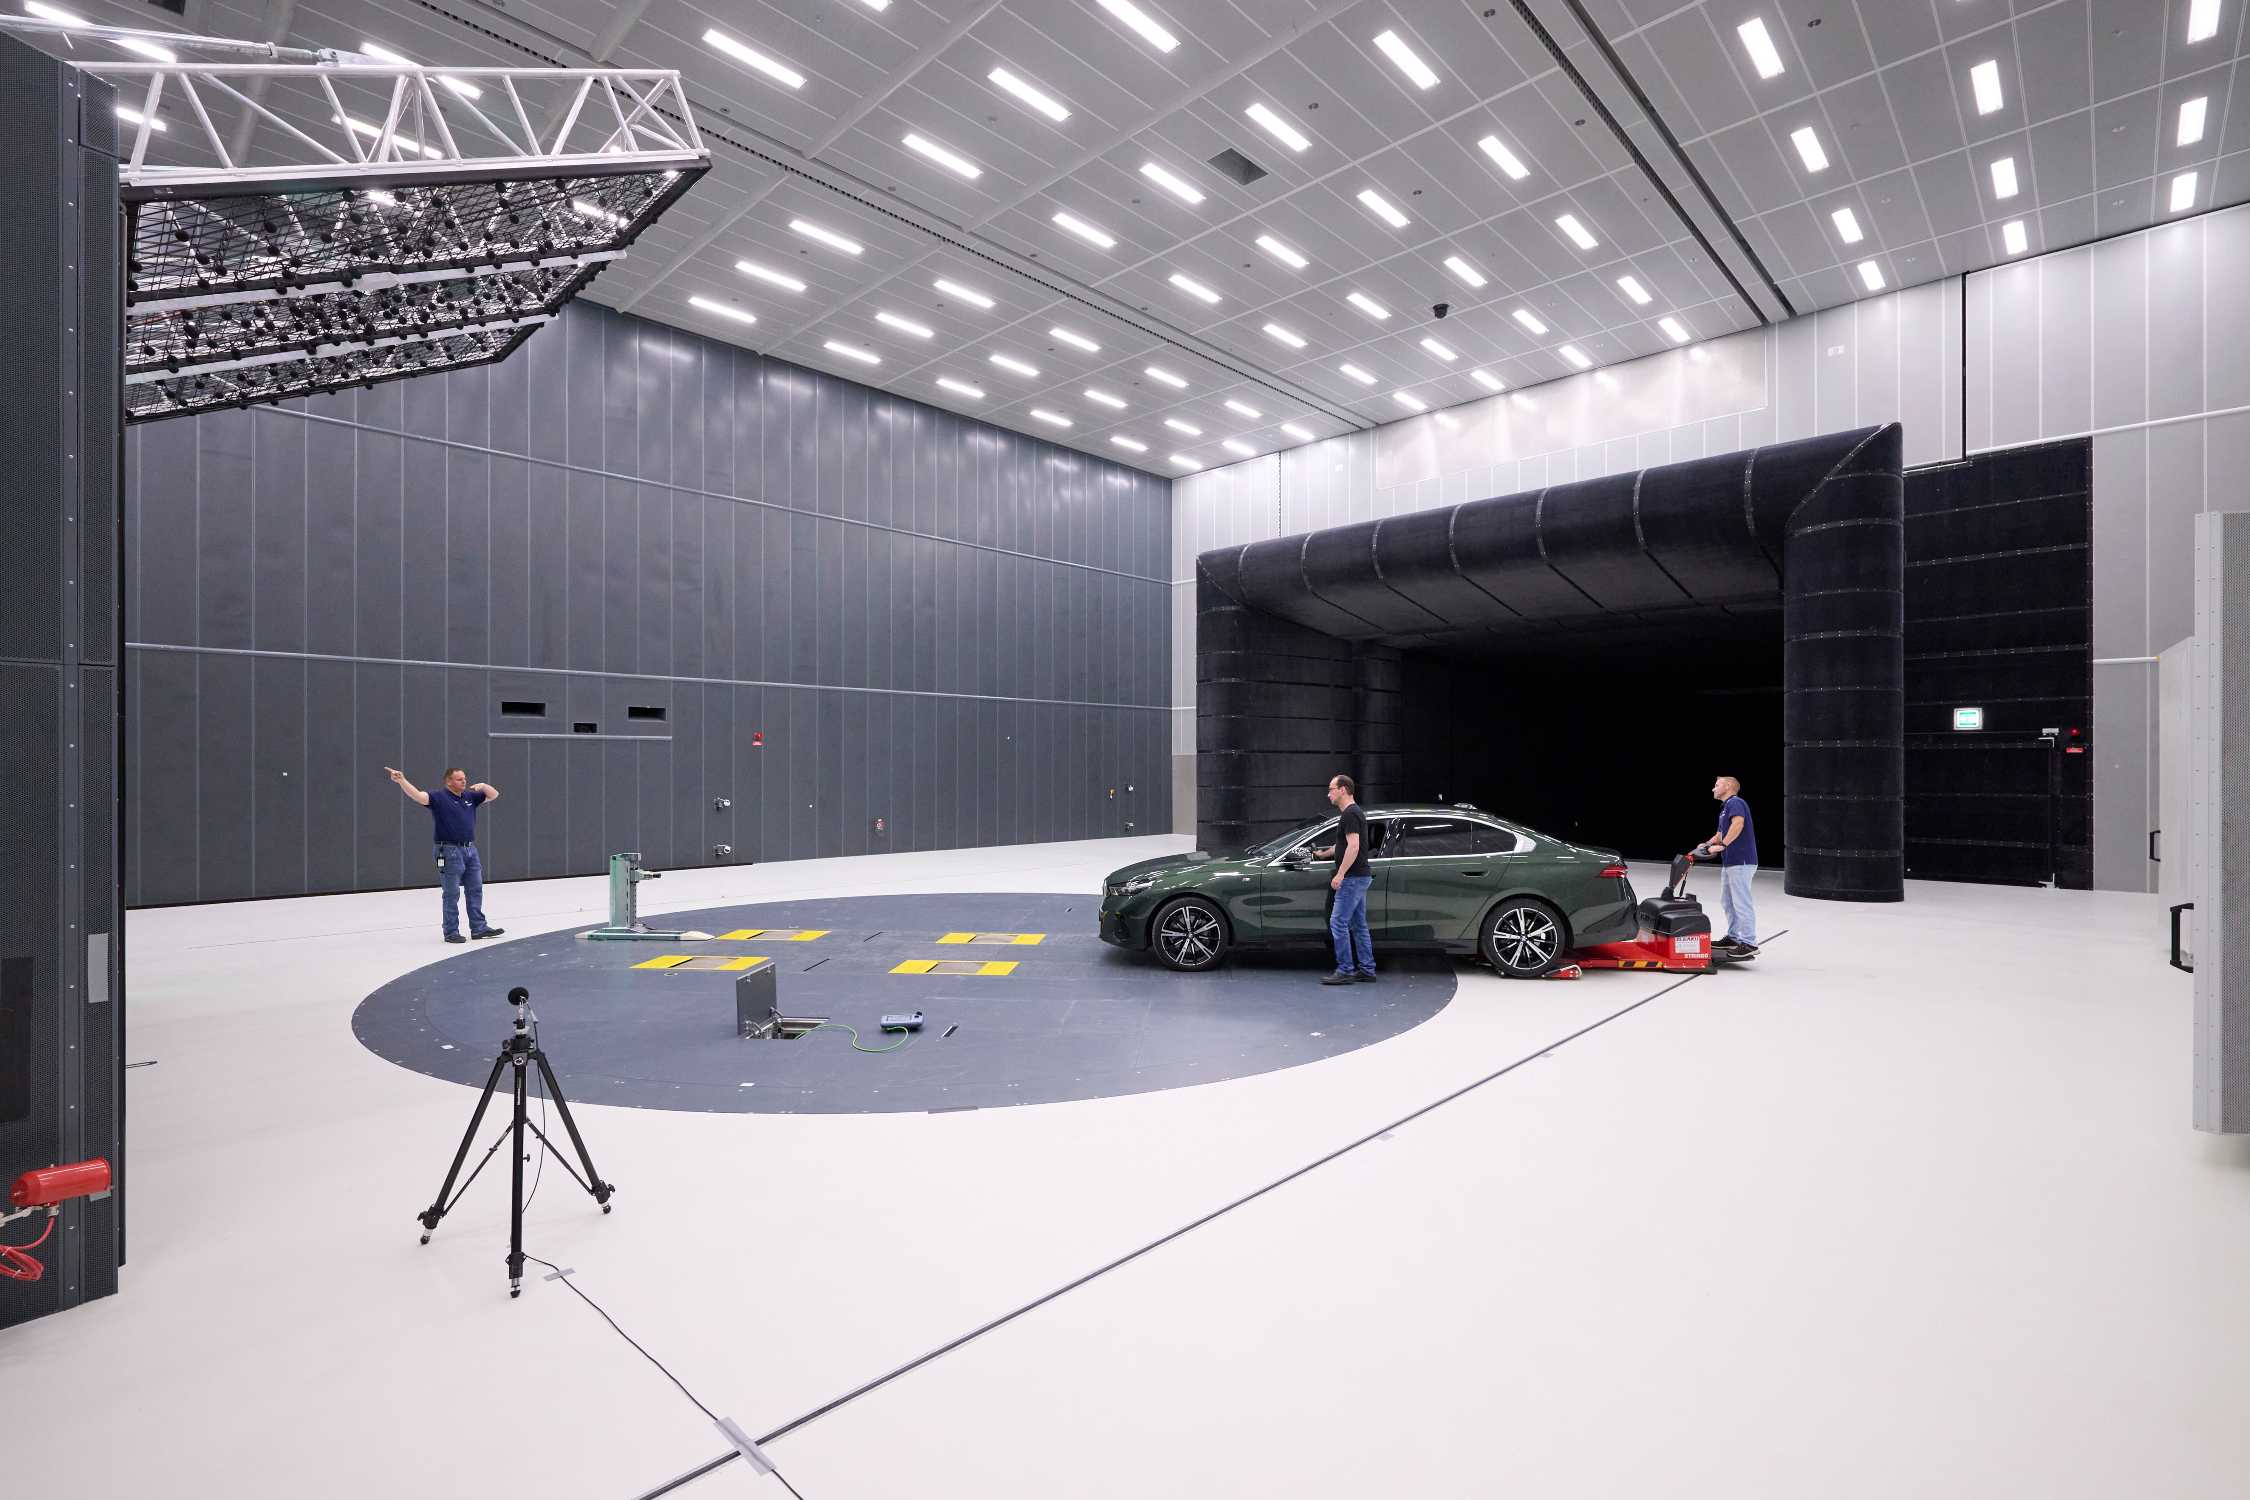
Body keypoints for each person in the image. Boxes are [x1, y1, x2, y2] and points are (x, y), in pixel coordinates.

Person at [387, 766, 506, 944]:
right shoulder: (438, 797)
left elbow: (494, 794)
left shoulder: (470, 797)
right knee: (451, 892)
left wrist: (483, 785)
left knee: (475, 889)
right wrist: (401, 780)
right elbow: (418, 796)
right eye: (459, 779)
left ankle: (479, 928)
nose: (464, 781)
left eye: (464, 778)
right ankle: (451, 931)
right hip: (449, 851)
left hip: (470, 850)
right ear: (448, 781)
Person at [1312, 774, 1376, 986]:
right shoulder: (1352, 813)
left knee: (1337, 922)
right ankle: (1367, 970)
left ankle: (1345, 970)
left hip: (1352, 878)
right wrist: (1324, 854)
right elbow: (1343, 844)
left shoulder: (1350, 814)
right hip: (1359, 876)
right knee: (1358, 925)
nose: (1328, 793)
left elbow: (1354, 846)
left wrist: (1340, 874)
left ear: (1343, 789)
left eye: (1331, 789)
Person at [1702, 775, 1758, 957]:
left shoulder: (1736, 802)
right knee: (1727, 901)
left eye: (1716, 785)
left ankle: (1749, 942)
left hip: (1741, 861)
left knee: (1741, 902)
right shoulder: (1725, 808)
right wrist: (1707, 844)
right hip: (1730, 862)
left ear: (1727, 786)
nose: (1713, 788)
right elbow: (1720, 834)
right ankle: (1733, 937)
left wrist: (1724, 845)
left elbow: (1738, 824)